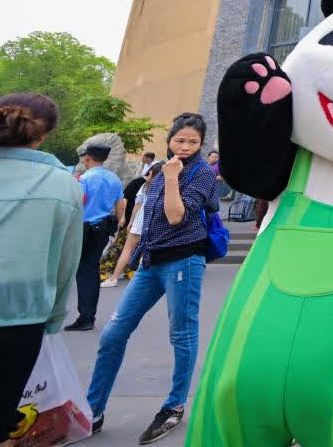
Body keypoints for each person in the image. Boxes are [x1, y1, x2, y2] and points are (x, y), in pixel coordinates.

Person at [0, 93, 84, 447]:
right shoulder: (64, 184)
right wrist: (53, 320)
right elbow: (65, 262)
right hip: (18, 322)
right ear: (43, 135)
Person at [85, 113, 219, 443]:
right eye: (180, 140)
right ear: (169, 140)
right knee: (113, 334)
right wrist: (133, 255)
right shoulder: (160, 172)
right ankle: (93, 409)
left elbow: (175, 217)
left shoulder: (201, 174)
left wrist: (172, 178)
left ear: (201, 144)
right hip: (151, 263)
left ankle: (174, 406)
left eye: (193, 142)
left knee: (182, 334)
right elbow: (148, 218)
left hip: (184, 262)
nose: (185, 147)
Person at [65, 143, 125, 331]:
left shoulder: (84, 179)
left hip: (84, 228)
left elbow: (77, 202)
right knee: (91, 269)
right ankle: (88, 316)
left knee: (82, 270)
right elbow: (120, 204)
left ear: (87, 158)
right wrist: (119, 223)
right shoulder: (114, 178)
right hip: (103, 228)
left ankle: (84, 317)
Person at [102, 163, 157, 288]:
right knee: (146, 252)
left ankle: (114, 278)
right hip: (154, 224)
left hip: (139, 223)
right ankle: (142, 280)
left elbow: (137, 205)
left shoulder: (145, 186)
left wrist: (131, 222)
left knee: (127, 250)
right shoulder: (165, 186)